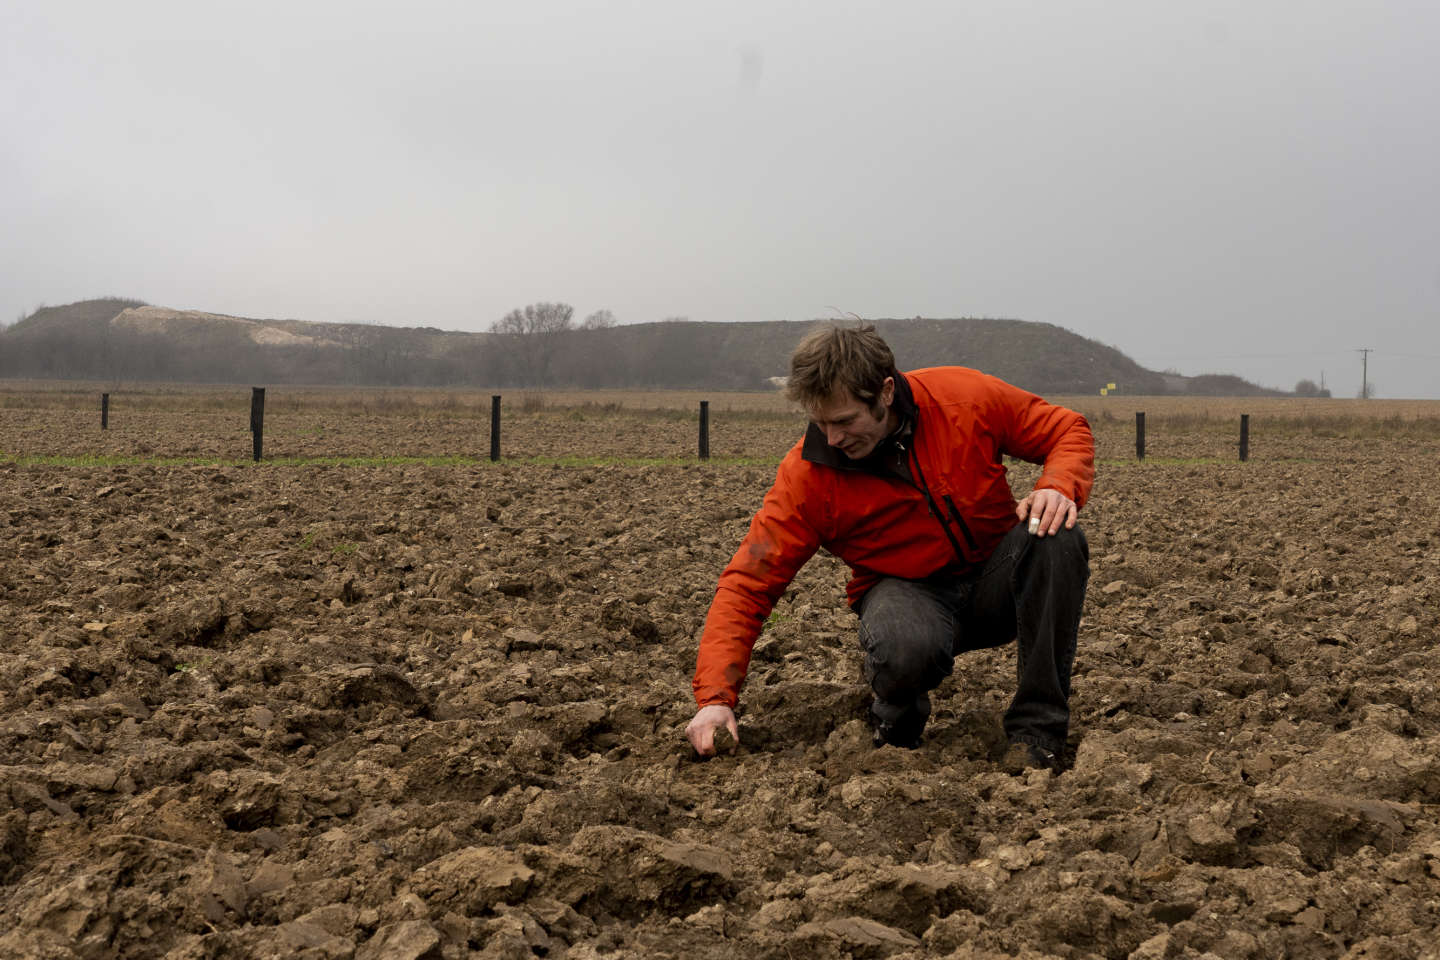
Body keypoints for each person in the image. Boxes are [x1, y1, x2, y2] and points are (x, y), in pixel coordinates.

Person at [686, 324, 1093, 771]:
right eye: (820, 422)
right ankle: (896, 723)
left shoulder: (963, 398)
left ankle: (1038, 732)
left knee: (1057, 534)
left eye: (844, 421)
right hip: (906, 594)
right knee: (904, 646)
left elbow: (1065, 428)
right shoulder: (807, 477)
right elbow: (748, 584)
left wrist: (1057, 486)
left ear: (883, 392)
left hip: (998, 580)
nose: (833, 438)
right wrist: (714, 699)